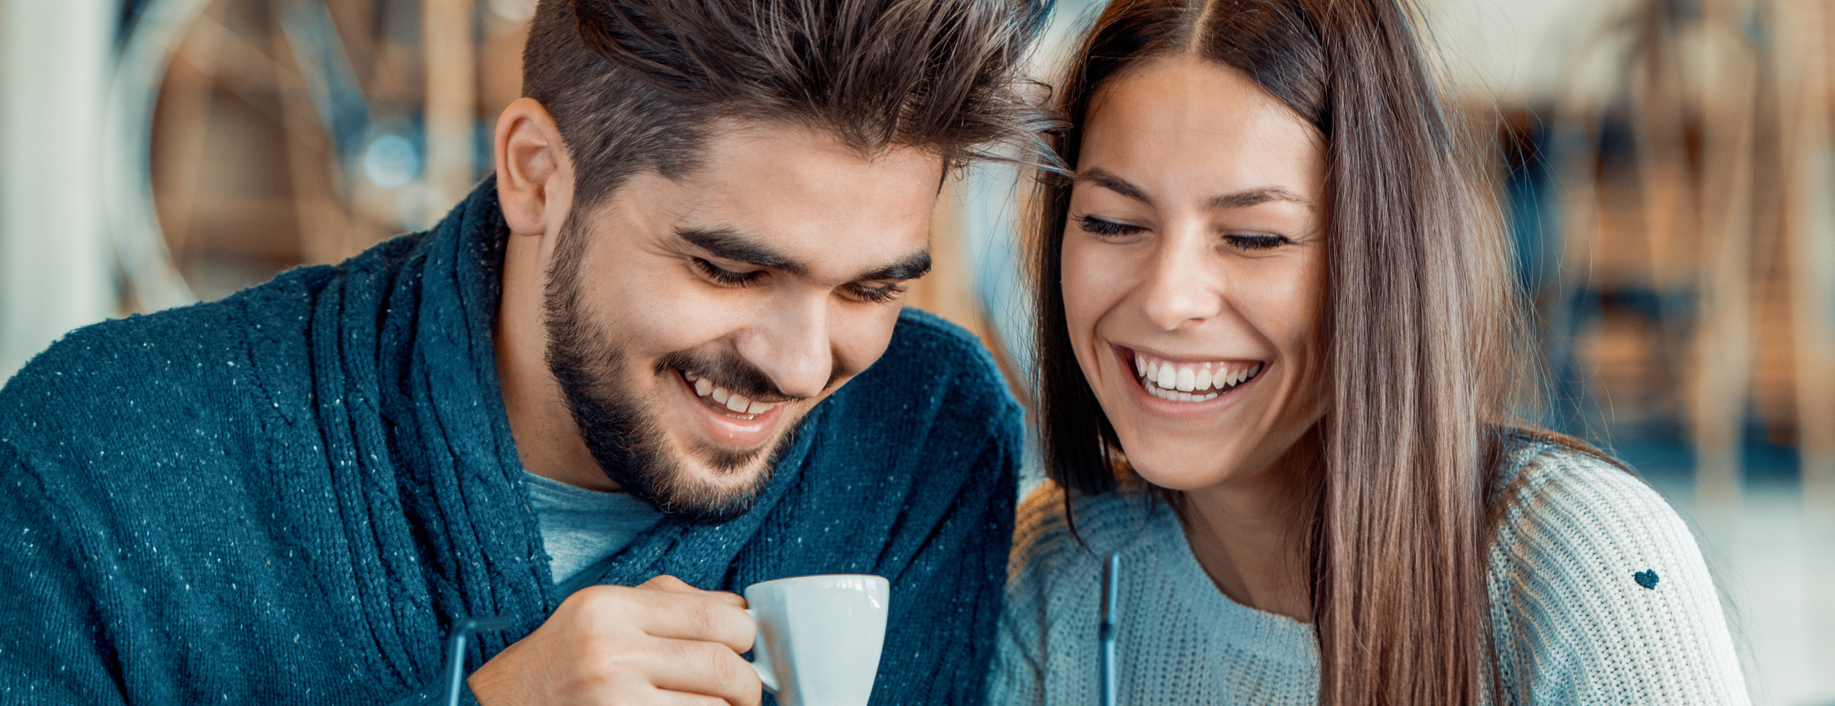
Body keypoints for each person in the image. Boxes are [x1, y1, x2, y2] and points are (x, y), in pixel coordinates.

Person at [0, 0, 1052, 703]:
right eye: (729, 270)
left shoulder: (921, 437)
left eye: (870, 287)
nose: (799, 362)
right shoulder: (98, 457)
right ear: (538, 172)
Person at [990, 0, 1749, 703]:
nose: (1166, 298)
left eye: (1255, 238)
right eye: (1114, 223)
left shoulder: (1579, 570)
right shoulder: (1058, 570)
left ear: (1383, 259)